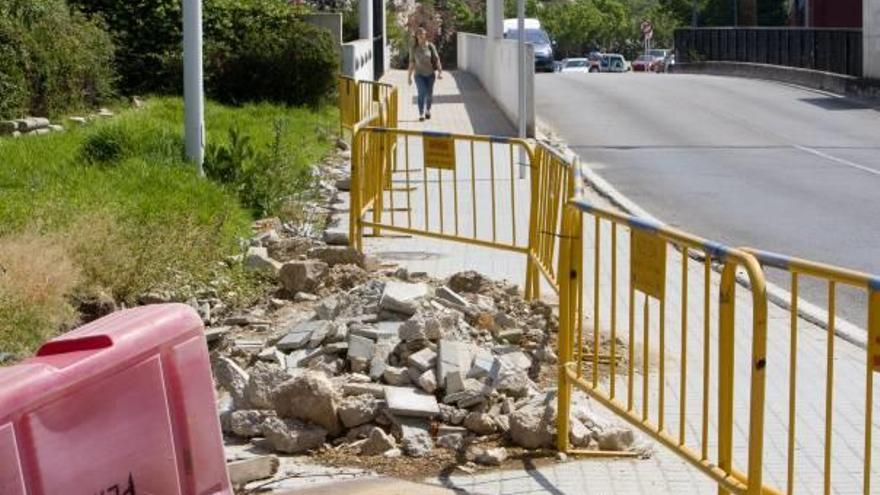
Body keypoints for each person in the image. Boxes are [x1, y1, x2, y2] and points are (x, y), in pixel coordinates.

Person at [407, 27, 442, 122]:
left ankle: (428, 110)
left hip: (430, 74)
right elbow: (411, 62)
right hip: (419, 75)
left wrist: (440, 71)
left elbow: (436, 59)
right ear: (417, 36)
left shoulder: (430, 46)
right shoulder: (413, 48)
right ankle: (421, 113)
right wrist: (409, 77)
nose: (421, 36)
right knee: (422, 92)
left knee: (429, 94)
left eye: (423, 34)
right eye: (419, 34)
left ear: (425, 35)